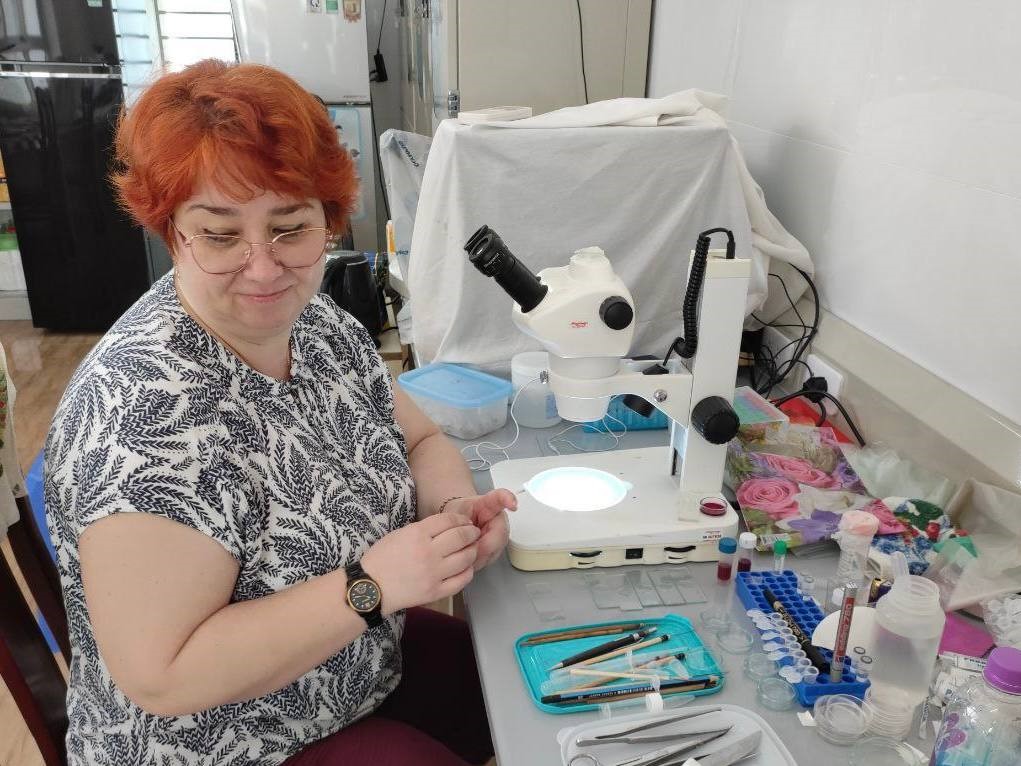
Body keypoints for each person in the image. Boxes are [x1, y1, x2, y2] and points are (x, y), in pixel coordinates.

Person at [44, 59, 515, 766]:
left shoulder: (317, 326)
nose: (263, 268)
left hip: (354, 667)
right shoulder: (145, 414)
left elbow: (419, 441)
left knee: (531, 679)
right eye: (220, 235)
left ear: (329, 219)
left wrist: (452, 510)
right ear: (171, 232)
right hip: (215, 743)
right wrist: (370, 586)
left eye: (291, 228)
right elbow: (163, 676)